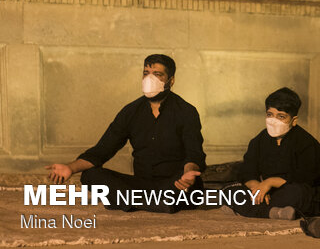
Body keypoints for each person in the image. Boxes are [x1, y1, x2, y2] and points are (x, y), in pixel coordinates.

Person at [46, 54, 207, 213]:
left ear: (171, 81)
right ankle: (152, 203)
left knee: (192, 187)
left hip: (174, 182)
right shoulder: (131, 111)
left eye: (157, 74)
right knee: (90, 175)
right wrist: (70, 168)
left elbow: (194, 154)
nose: (149, 79)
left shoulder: (186, 111)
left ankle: (136, 202)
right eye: (146, 73)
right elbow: (102, 150)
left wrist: (188, 173)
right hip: (141, 184)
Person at [222, 87, 320, 220]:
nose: (273, 120)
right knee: (228, 190)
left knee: (297, 194)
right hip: (267, 192)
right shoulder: (259, 140)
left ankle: (245, 209)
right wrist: (258, 188)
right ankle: (275, 213)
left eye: (281, 116)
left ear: (293, 120)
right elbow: (248, 170)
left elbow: (305, 176)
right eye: (269, 115)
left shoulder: (308, 143)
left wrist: (270, 182)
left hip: (295, 191)